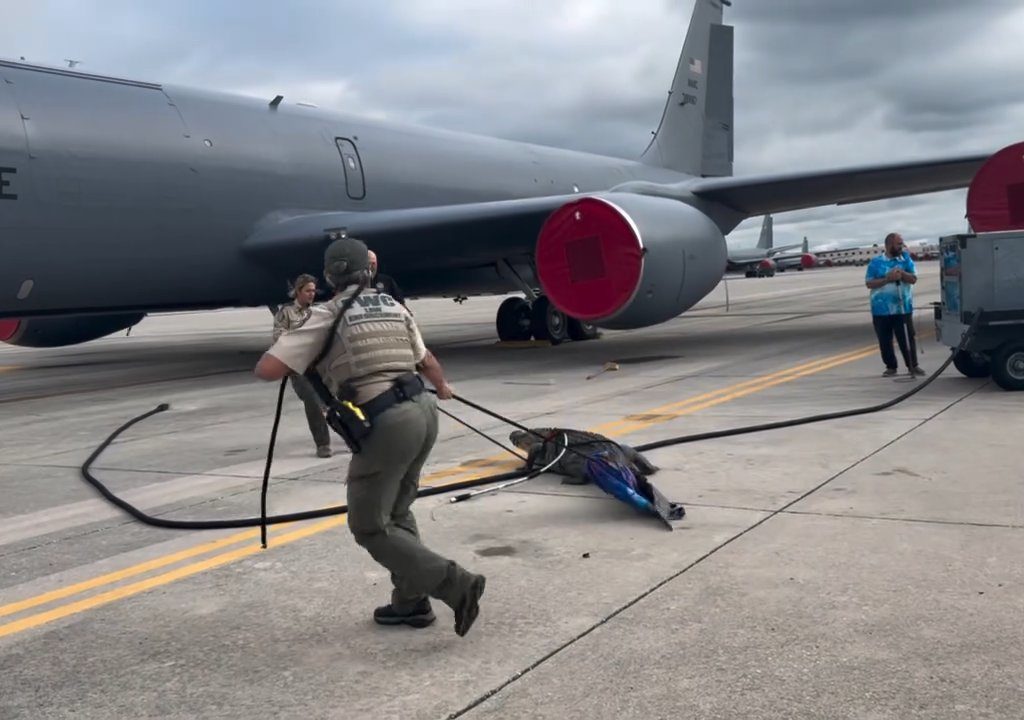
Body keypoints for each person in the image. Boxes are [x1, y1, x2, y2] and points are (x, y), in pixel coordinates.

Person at [254, 236, 486, 637]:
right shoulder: (393, 306)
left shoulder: (327, 314)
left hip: (387, 424)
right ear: (369, 270)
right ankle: (411, 603)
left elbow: (269, 369)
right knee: (396, 512)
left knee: (369, 526)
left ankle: (456, 585)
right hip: (424, 411)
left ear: (329, 276)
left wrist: (304, 352)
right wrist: (443, 387)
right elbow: (426, 360)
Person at [272, 274, 333, 458]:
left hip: (321, 365)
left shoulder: (319, 313)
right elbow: (279, 337)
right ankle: (323, 443)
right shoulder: (286, 313)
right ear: (298, 292)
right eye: (308, 291)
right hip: (299, 368)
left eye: (314, 291)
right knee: (312, 400)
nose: (312, 294)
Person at [864, 232, 925, 377]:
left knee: (907, 338)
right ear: (889, 245)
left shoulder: (905, 260)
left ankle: (912, 365)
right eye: (899, 244)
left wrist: (902, 274)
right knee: (885, 340)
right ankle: (891, 366)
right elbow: (869, 283)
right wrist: (887, 279)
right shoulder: (875, 263)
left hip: (902, 307)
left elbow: (913, 279)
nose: (901, 246)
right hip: (881, 309)